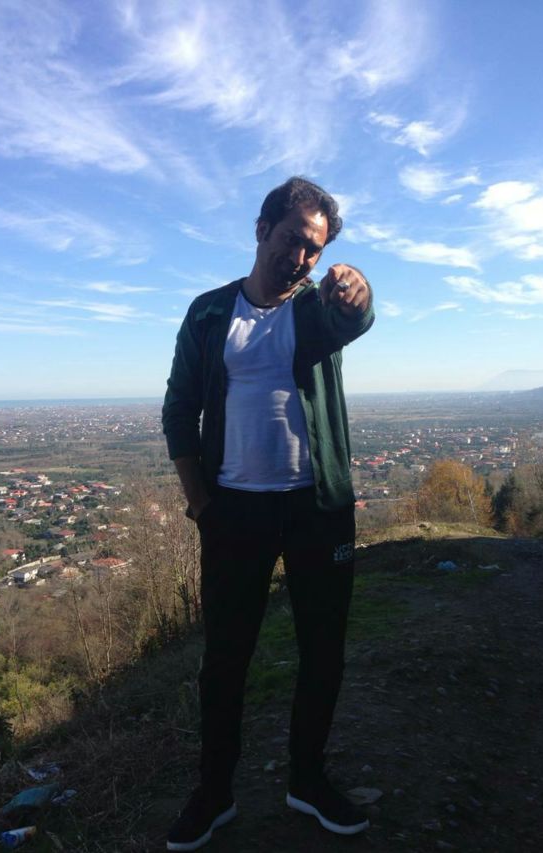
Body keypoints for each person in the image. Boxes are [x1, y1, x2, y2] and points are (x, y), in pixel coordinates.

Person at [162, 176, 374, 851]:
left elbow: (355, 318)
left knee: (323, 652)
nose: (300, 258)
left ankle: (307, 780)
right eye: (292, 240)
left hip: (318, 509)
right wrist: (201, 504)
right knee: (225, 659)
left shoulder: (315, 309)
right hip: (234, 512)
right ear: (261, 230)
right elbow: (178, 409)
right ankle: (214, 793)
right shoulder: (208, 313)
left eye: (314, 250)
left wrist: (358, 288)